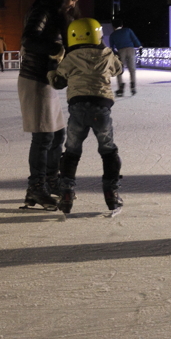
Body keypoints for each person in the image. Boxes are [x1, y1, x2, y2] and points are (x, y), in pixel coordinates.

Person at [18, 0, 85, 208]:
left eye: (76, 0)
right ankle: (36, 187)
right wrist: (55, 48)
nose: (73, 4)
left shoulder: (56, 12)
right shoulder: (42, 9)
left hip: (47, 79)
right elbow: (29, 39)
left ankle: (50, 180)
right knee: (43, 135)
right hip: (34, 78)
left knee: (56, 134)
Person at [48, 18, 124, 217]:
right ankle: (111, 192)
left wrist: (52, 69)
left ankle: (66, 192)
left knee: (72, 151)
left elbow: (58, 82)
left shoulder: (70, 58)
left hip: (78, 108)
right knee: (108, 150)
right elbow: (119, 69)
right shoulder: (107, 54)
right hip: (101, 108)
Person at [109, 19, 142, 96]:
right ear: (122, 25)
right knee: (132, 69)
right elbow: (134, 38)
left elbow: (111, 47)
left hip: (121, 51)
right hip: (130, 50)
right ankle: (133, 86)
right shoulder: (128, 30)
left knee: (119, 70)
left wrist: (114, 52)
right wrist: (140, 46)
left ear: (113, 26)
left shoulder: (113, 35)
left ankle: (121, 87)